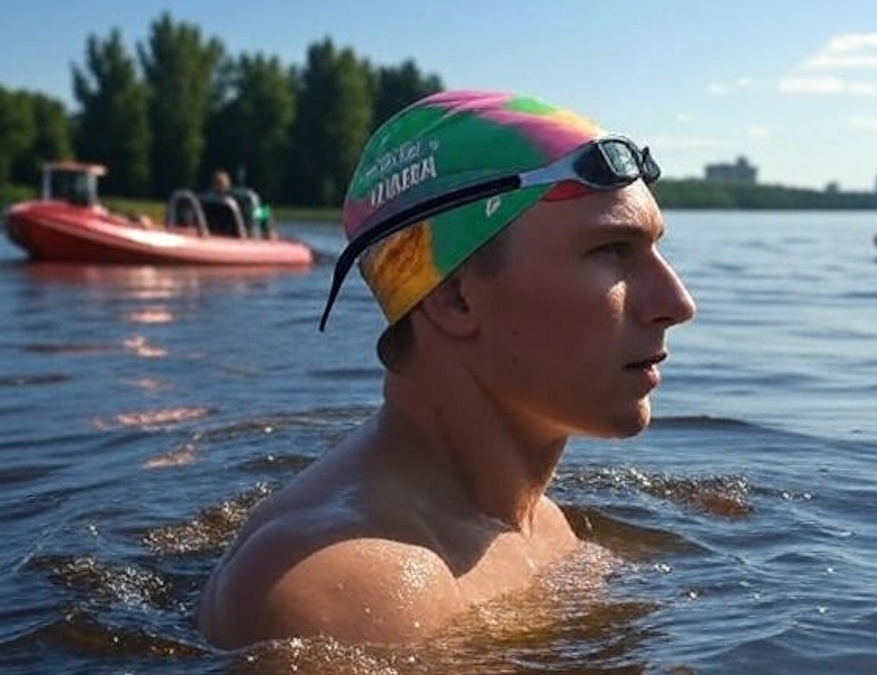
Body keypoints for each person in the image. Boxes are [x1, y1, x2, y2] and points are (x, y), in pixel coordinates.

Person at [196, 90, 696, 648]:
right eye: (611, 251)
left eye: (654, 251)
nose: (678, 303)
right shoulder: (352, 592)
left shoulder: (549, 531)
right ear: (453, 296)